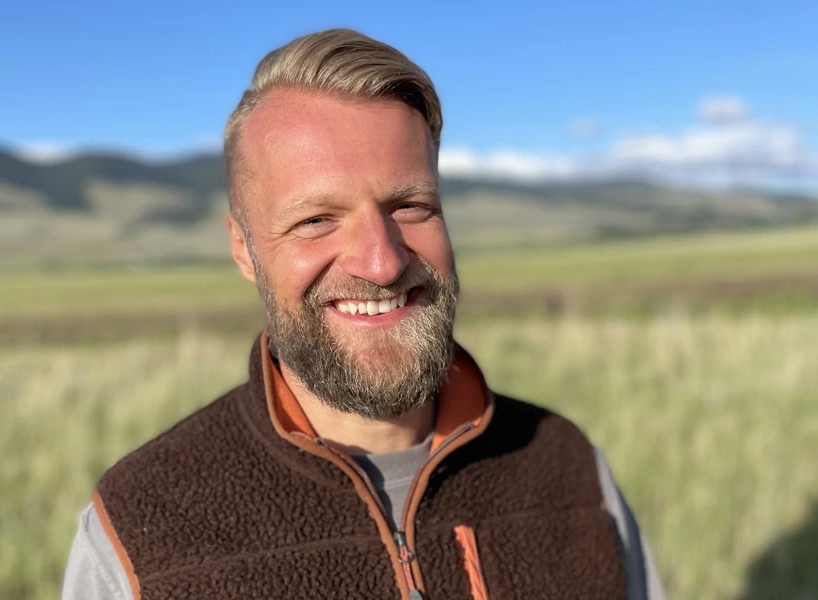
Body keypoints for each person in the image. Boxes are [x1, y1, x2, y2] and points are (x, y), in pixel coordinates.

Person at [62, 29, 664, 600]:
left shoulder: (566, 470)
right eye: (316, 219)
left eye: (410, 206)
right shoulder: (144, 524)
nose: (381, 263)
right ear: (244, 248)